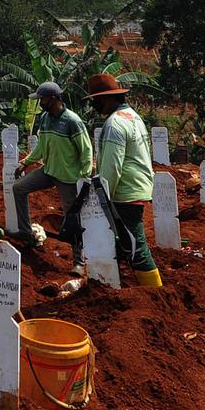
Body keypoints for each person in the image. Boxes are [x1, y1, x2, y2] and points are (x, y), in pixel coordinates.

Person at [86, 73, 162, 287]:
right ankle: (110, 283)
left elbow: (112, 168)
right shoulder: (133, 117)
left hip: (125, 192)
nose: (94, 105)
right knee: (121, 241)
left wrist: (102, 198)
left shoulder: (114, 124)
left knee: (136, 247)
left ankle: (156, 292)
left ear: (105, 98)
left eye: (95, 100)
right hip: (137, 186)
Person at [12, 82, 93, 262]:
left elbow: (86, 150)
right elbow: (41, 146)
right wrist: (25, 163)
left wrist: (85, 177)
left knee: (72, 216)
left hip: (68, 177)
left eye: (43, 99)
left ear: (54, 99)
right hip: (49, 171)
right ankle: (26, 232)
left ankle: (79, 260)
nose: (40, 103)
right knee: (19, 188)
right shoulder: (45, 118)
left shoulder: (72, 121)